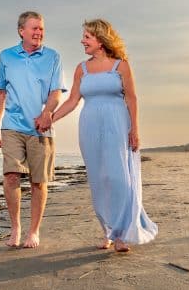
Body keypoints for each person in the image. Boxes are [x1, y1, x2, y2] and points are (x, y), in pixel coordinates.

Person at [52, 19, 157, 252]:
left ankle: (121, 234)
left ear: (100, 40)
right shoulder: (82, 68)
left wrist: (135, 130)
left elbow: (131, 98)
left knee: (119, 178)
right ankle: (108, 232)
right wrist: (51, 118)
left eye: (87, 37)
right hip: (90, 127)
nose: (82, 41)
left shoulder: (121, 65)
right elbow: (72, 101)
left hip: (118, 125)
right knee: (99, 180)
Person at [0, 11, 66, 248]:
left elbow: (56, 92)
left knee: (38, 181)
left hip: (40, 127)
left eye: (41, 29)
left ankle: (33, 231)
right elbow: (0, 92)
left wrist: (48, 113)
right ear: (21, 31)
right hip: (12, 125)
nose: (38, 33)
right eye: (34, 28)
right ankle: (15, 228)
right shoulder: (6, 56)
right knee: (11, 176)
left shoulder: (53, 57)